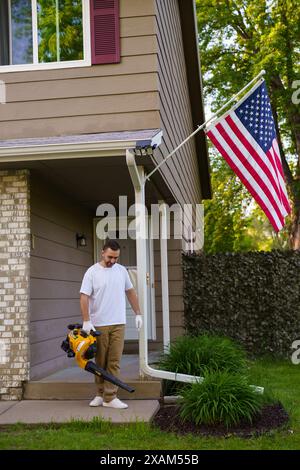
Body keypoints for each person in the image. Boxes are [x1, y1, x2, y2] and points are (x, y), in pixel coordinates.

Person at [79, 239, 143, 409]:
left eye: (116, 258)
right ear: (102, 253)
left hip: (119, 323)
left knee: (114, 361)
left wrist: (138, 313)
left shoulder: (121, 271)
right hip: (98, 324)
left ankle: (110, 397)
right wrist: (86, 320)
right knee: (100, 361)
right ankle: (100, 394)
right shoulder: (92, 272)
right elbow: (84, 297)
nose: (113, 261)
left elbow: (130, 292)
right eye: (110, 257)